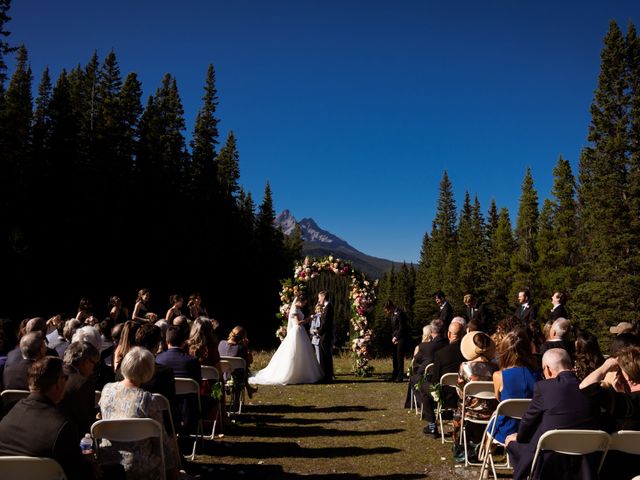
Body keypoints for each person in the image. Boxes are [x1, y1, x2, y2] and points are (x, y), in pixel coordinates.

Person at [505, 349, 600, 480]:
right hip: (584, 459)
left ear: (547, 369)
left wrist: (520, 437)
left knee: (510, 442)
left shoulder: (544, 387)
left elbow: (528, 420)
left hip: (549, 458)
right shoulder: (589, 387)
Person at [0, 356, 97, 480]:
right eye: (65, 378)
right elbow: (77, 473)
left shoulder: (9, 412)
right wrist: (88, 464)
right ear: (58, 383)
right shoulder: (62, 425)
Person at [99, 347, 178, 480]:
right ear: (148, 371)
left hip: (109, 459)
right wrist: (172, 468)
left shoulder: (107, 390)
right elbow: (161, 440)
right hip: (141, 464)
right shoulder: (147, 400)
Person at [580, 346, 640, 479]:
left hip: (615, 467)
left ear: (627, 378)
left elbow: (585, 387)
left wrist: (605, 367)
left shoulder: (624, 403)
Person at [250, 294, 323, 385]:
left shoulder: (298, 309)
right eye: (303, 303)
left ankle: (303, 373)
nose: (304, 305)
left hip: (300, 332)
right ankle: (293, 373)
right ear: (299, 301)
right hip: (297, 332)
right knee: (295, 351)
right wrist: (310, 318)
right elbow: (298, 323)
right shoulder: (294, 310)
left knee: (303, 352)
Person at [489, 330, 538, 444]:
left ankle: (485, 455)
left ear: (504, 352)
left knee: (493, 421)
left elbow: (499, 399)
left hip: (506, 428)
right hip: (531, 428)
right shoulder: (538, 374)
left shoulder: (499, 376)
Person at [453, 331, 498, 449]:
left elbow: (460, 392)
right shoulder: (495, 368)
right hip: (492, 410)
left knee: (459, 406)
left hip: (470, 411)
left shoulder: (464, 367)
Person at [423, 321, 466, 437]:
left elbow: (435, 381)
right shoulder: (467, 353)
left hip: (447, 397)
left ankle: (432, 425)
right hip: (465, 396)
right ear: (463, 335)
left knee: (424, 389)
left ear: (448, 334)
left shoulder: (441, 354)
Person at [58, 341, 100, 439]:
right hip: (71, 438)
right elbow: (86, 422)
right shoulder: (83, 383)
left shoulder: (52, 372)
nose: (93, 370)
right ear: (86, 362)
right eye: (95, 364)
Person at [404, 319, 447, 411]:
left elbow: (415, 363)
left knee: (413, 378)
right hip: (445, 379)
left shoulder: (425, 347)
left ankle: (425, 406)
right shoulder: (449, 345)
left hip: (430, 380)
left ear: (431, 331)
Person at [385, 300, 409, 382]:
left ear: (390, 307)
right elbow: (394, 328)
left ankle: (400, 376)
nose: (387, 312)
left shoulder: (399, 313)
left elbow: (402, 327)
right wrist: (393, 337)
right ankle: (394, 375)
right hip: (394, 338)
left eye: (387, 309)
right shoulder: (393, 313)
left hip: (401, 338)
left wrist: (397, 337)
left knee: (399, 358)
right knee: (394, 358)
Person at [317, 291, 335, 383]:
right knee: (324, 356)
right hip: (325, 335)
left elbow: (325, 323)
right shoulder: (327, 307)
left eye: (319, 297)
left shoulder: (328, 308)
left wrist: (319, 332)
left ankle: (327, 376)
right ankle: (326, 375)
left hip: (326, 336)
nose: (318, 300)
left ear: (323, 297)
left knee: (326, 356)